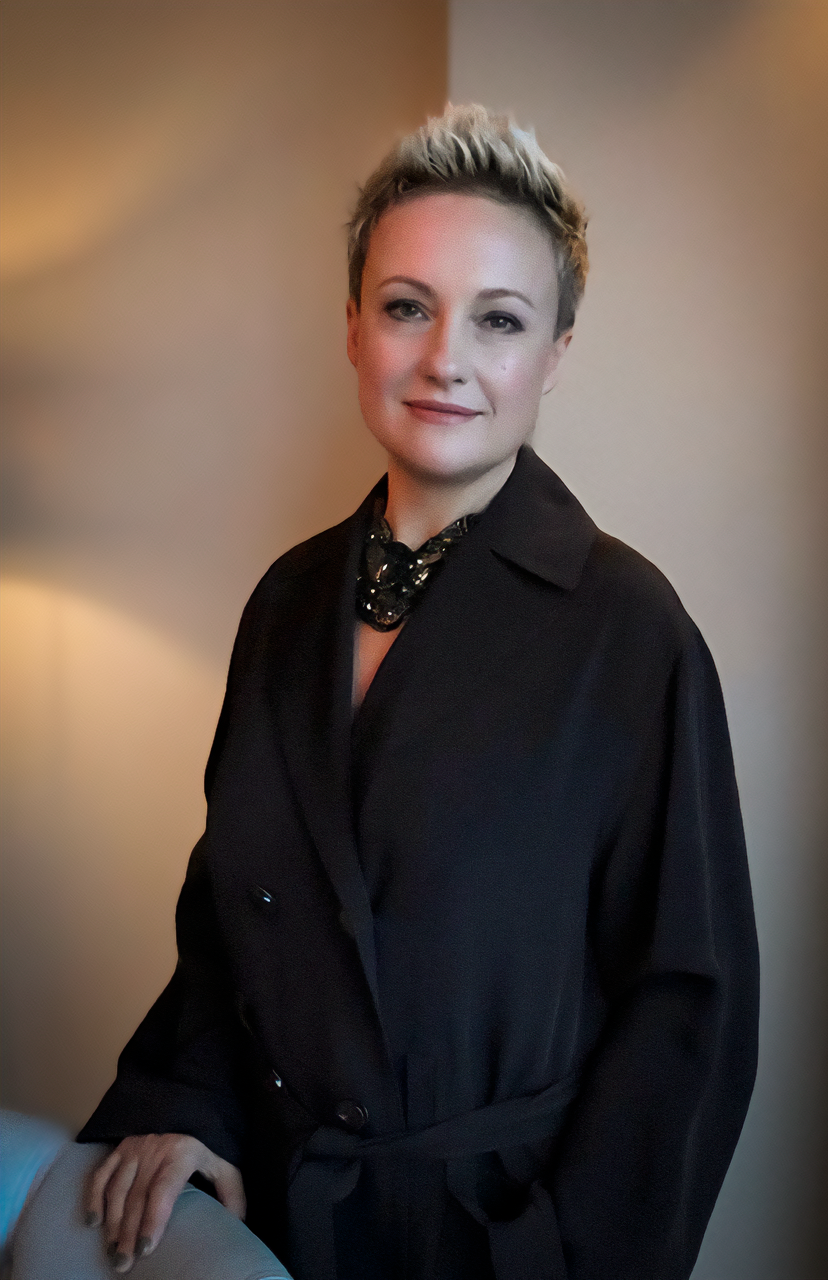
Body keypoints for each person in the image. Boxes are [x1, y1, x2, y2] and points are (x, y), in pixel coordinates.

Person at [77, 103, 759, 1280]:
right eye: (407, 307)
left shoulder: (629, 630)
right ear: (353, 329)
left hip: (500, 1241)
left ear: (554, 353)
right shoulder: (285, 605)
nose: (445, 356)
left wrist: (564, 1257)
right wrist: (189, 1101)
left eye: (499, 319)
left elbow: (687, 1008)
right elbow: (230, 921)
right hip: (282, 1224)